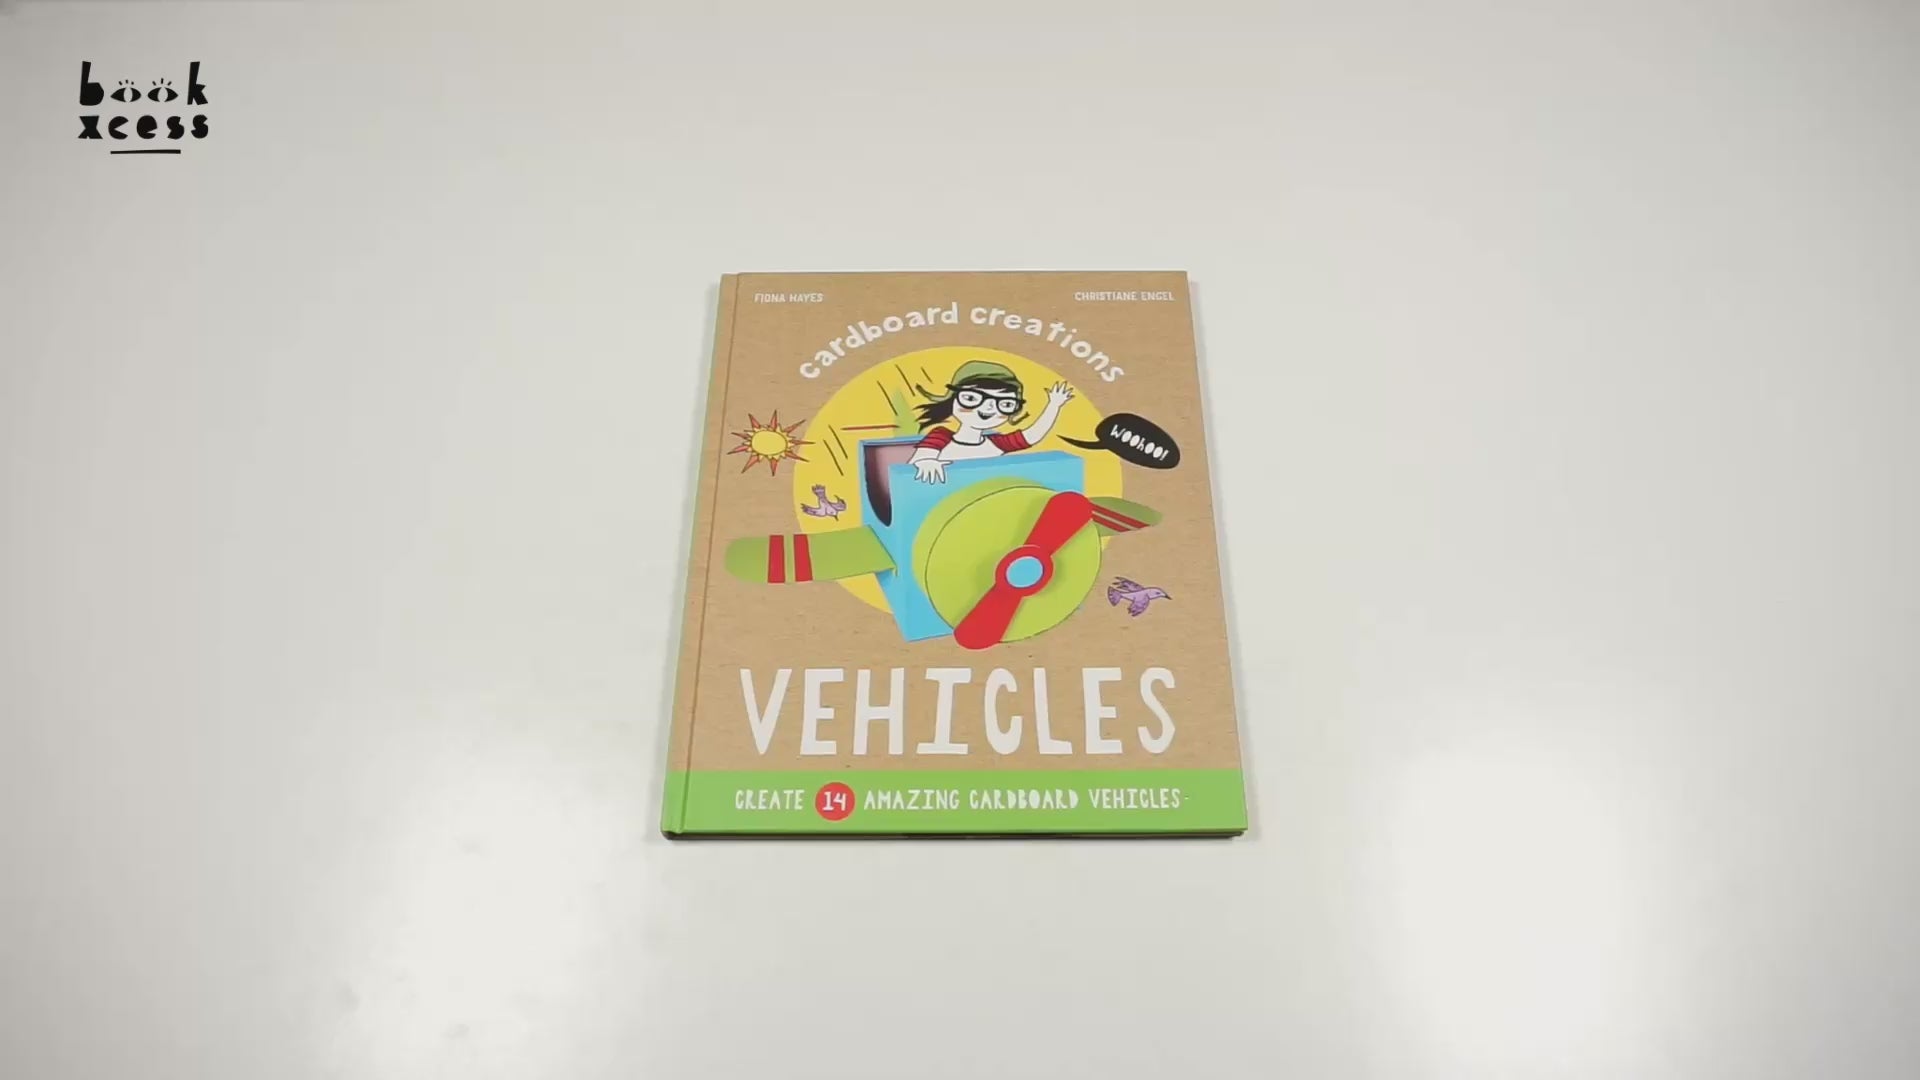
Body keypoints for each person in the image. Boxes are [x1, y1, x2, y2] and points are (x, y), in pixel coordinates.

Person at [908, 360, 1074, 483]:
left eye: (1004, 404)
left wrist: (1054, 405)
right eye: (971, 398)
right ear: (953, 398)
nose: (988, 408)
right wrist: (926, 463)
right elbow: (919, 459)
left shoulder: (996, 443)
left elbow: (1032, 436)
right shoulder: (941, 436)